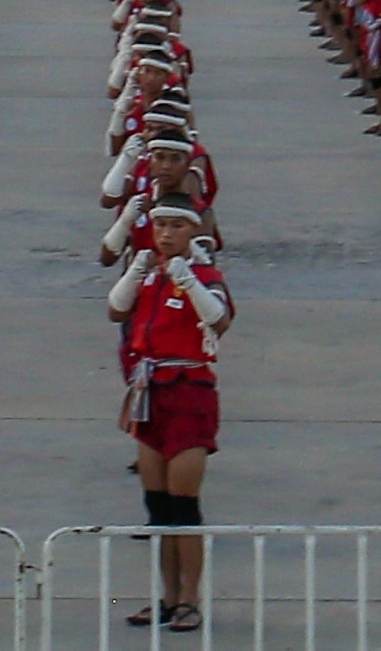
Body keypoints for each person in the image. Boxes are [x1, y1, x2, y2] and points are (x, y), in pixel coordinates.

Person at [109, 191, 229, 632]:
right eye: (161, 226)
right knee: (157, 509)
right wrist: (137, 273)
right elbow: (114, 310)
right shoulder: (150, 275)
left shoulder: (204, 274)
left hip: (189, 394)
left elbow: (220, 321)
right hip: (150, 395)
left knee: (184, 507)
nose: (166, 234)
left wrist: (191, 280)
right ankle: (166, 596)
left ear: (193, 230)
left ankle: (190, 598)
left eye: (177, 226)